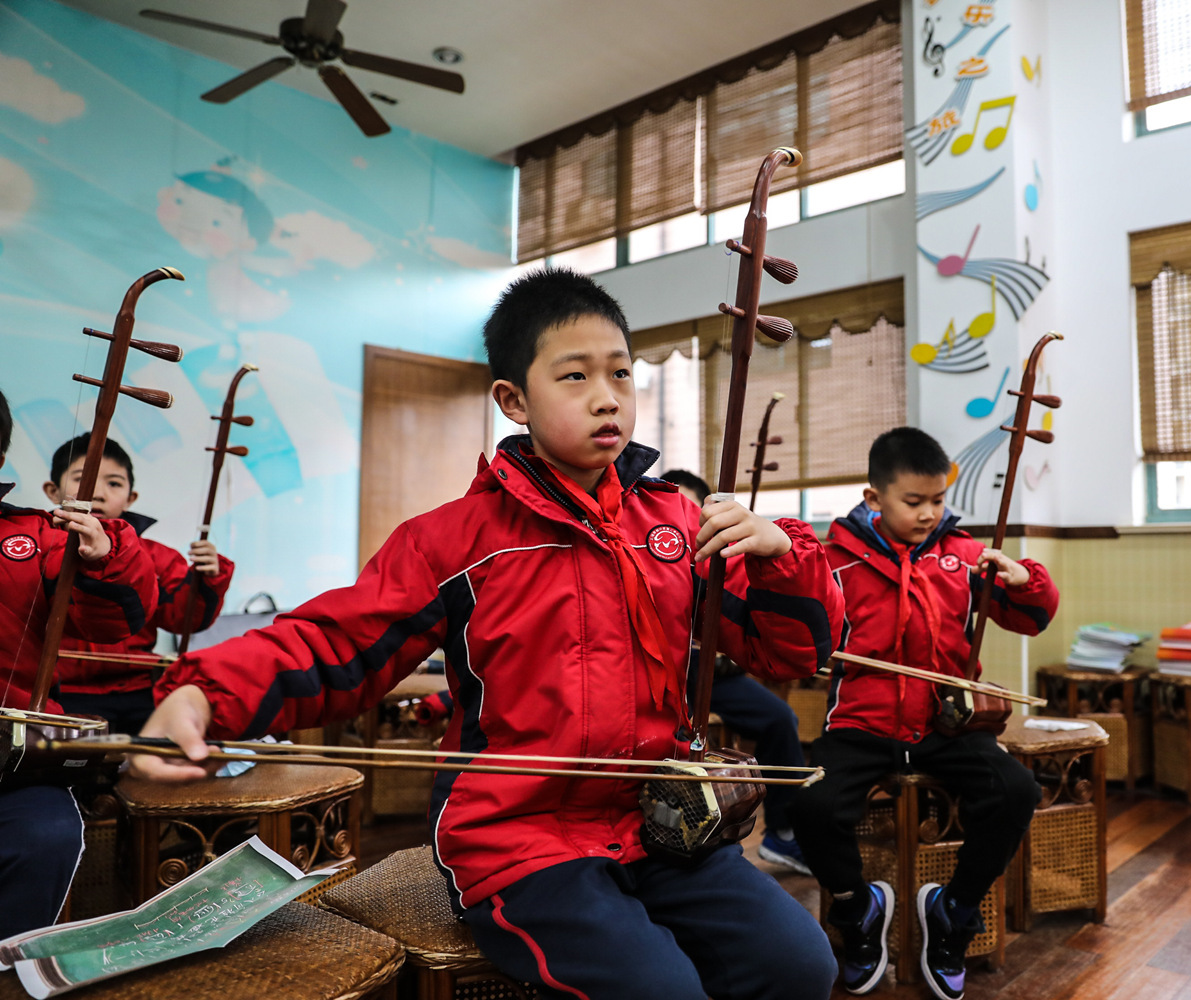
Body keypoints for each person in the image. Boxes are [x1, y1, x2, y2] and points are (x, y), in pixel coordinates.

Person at [131, 268, 844, 1000]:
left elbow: (790, 652)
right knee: (659, 989)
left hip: (661, 823)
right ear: (514, 400)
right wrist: (204, 695)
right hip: (518, 840)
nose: (608, 397)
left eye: (622, 374)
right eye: (574, 376)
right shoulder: (456, 539)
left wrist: (784, 559)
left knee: (800, 965)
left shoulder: (675, 526)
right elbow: (336, 640)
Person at [790, 427, 1059, 1000]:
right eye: (913, 502)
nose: (929, 513)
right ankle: (857, 910)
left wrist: (1026, 581)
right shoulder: (835, 561)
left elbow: (1031, 618)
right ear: (873, 497)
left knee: (1015, 792)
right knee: (810, 802)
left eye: (937, 500)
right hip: (861, 722)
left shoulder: (963, 557)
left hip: (947, 720)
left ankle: (953, 912)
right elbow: (805, 636)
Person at [0, 388, 160, 939]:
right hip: (84, 708)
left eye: (116, 485)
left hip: (19, 750)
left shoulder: (40, 536)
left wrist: (106, 558)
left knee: (46, 834)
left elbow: (128, 621)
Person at [660, 468, 812, 876]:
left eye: (694, 509)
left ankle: (781, 830)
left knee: (781, 718)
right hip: (667, 675)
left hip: (716, 673)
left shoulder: (717, 552)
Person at [43, 436, 233, 736]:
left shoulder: (154, 555)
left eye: (114, 484)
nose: (98, 494)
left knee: (175, 750)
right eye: (82, 479)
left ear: (131, 498)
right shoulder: (38, 546)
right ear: (53, 491)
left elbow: (182, 619)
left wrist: (207, 580)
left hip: (140, 689)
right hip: (62, 691)